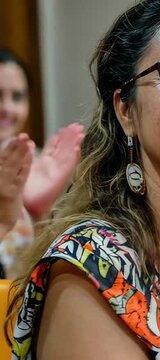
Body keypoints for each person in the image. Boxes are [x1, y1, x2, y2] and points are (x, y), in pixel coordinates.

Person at [0, 49, 84, 278]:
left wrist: (40, 213)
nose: (7, 107)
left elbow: (49, 263)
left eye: (17, 97)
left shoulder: (41, 167)